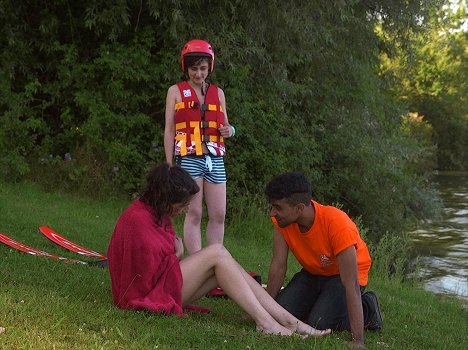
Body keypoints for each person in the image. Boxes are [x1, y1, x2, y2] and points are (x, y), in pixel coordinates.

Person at [107, 163, 331, 338]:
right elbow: (141, 281)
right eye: (183, 204)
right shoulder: (138, 220)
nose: (186, 209)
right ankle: (267, 323)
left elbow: (160, 258)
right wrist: (176, 255)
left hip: (163, 285)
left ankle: (287, 320)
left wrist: (175, 254)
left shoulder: (153, 210)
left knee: (223, 261)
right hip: (148, 296)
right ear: (167, 199)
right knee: (217, 252)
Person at [264, 172, 383, 348]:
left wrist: (358, 341)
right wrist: (264, 310)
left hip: (342, 275)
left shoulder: (337, 223)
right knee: (280, 314)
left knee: (319, 323)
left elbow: (351, 284)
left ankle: (368, 308)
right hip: (314, 272)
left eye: (278, 207)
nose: (272, 213)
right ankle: (320, 303)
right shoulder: (284, 223)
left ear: (299, 208)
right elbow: (278, 266)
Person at [164, 39, 234, 255]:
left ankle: (214, 260)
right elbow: (169, 130)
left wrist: (229, 131)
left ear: (209, 67)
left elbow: (228, 127)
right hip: (189, 158)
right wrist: (170, 165)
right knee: (193, 212)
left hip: (214, 159)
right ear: (186, 67)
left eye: (203, 68)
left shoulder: (218, 93)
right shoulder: (175, 91)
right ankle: (196, 263)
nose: (198, 73)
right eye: (194, 69)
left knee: (219, 213)